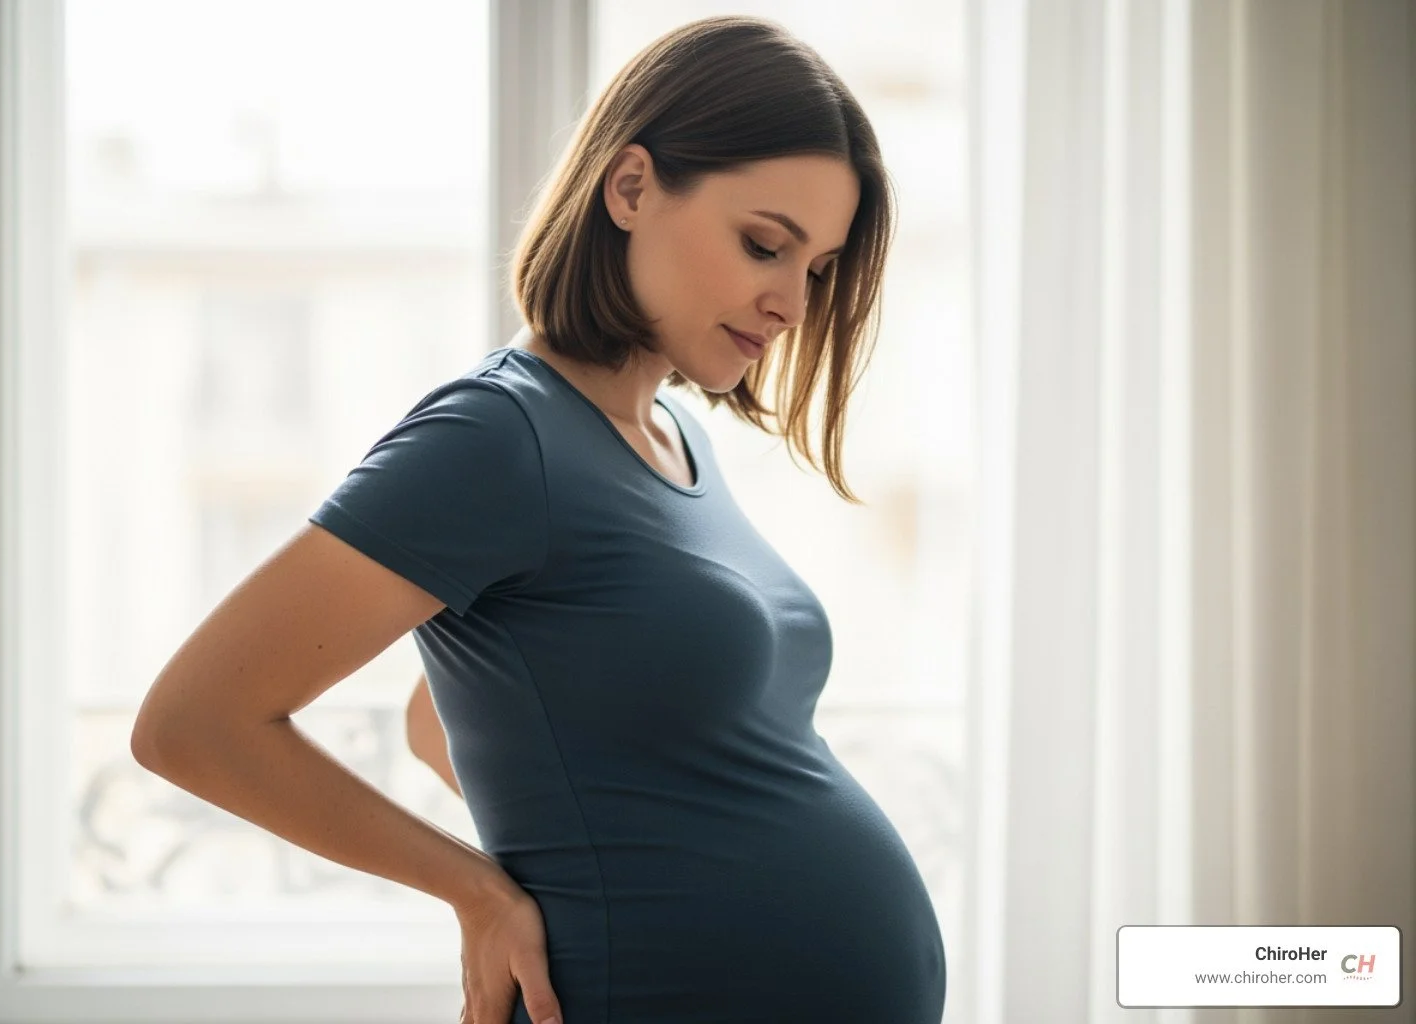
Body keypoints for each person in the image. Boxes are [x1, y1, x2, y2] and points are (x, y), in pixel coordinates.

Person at [131, 14, 946, 1024]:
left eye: (814, 269)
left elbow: (450, 719)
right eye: (765, 244)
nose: (789, 301)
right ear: (632, 187)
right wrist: (475, 888)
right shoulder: (497, 436)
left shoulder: (674, 438)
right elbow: (192, 724)